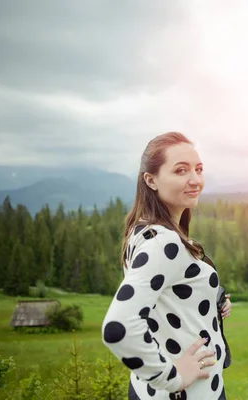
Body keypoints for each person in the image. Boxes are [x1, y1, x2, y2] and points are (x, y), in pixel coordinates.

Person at [102, 132, 232, 400]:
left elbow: (160, 297)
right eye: (181, 170)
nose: (195, 180)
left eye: (198, 169)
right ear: (150, 180)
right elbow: (118, 327)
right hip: (187, 394)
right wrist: (172, 378)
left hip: (152, 391)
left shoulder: (144, 231)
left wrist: (212, 302)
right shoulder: (163, 243)